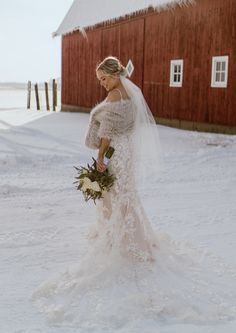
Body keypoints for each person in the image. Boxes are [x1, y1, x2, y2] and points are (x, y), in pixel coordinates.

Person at [31, 56, 236, 331]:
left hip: (115, 152)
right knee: (125, 194)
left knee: (116, 193)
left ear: (115, 75)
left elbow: (107, 133)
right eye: (99, 80)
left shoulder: (116, 95)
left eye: (103, 78)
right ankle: (131, 234)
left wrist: (101, 159)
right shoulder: (128, 91)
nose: (101, 84)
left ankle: (124, 239)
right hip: (126, 151)